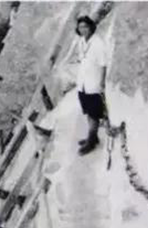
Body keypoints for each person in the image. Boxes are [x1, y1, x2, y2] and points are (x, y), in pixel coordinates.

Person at [63, 15, 108, 155]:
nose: (83, 30)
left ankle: (91, 141)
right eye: (80, 27)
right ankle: (93, 137)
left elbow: (103, 64)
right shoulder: (81, 41)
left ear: (91, 27)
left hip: (93, 84)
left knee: (94, 114)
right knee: (88, 112)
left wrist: (102, 82)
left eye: (85, 27)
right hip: (82, 83)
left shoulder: (98, 43)